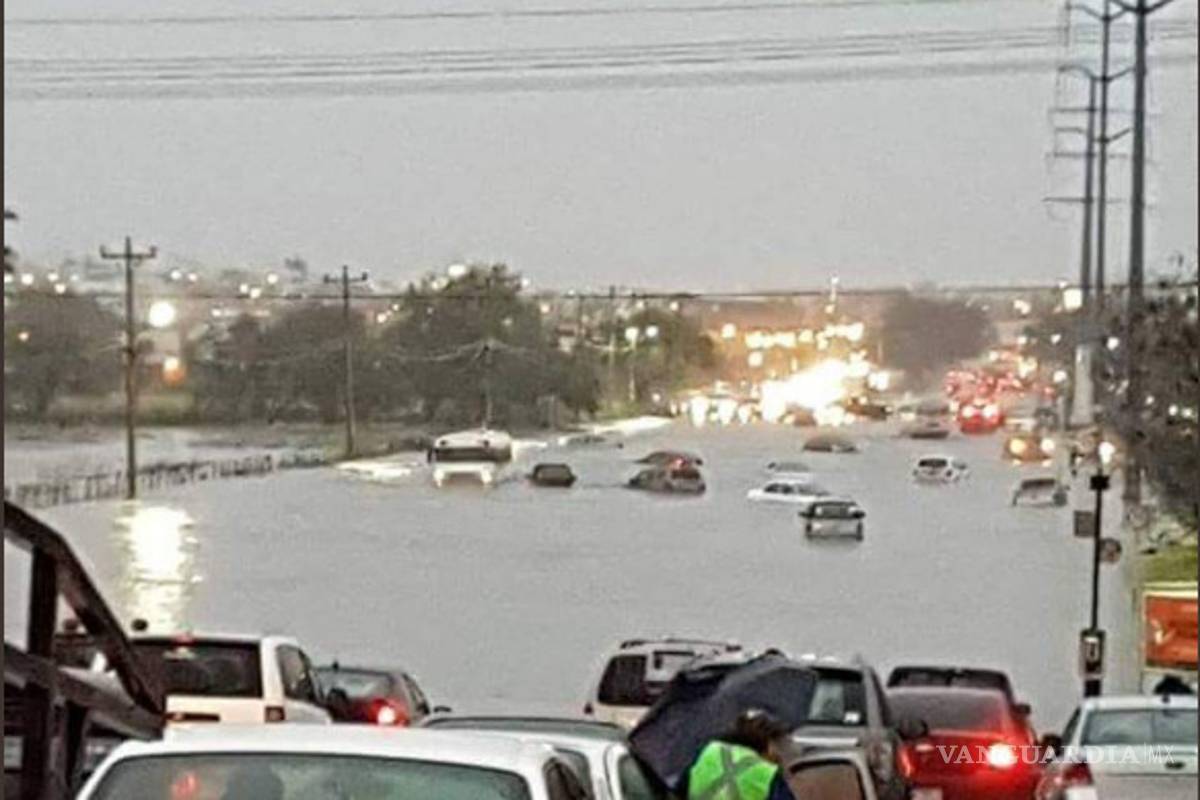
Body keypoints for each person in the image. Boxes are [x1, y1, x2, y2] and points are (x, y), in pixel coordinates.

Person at [687, 709, 797, 800]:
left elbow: (682, 788)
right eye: (778, 743)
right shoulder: (767, 774)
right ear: (767, 743)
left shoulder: (710, 750)